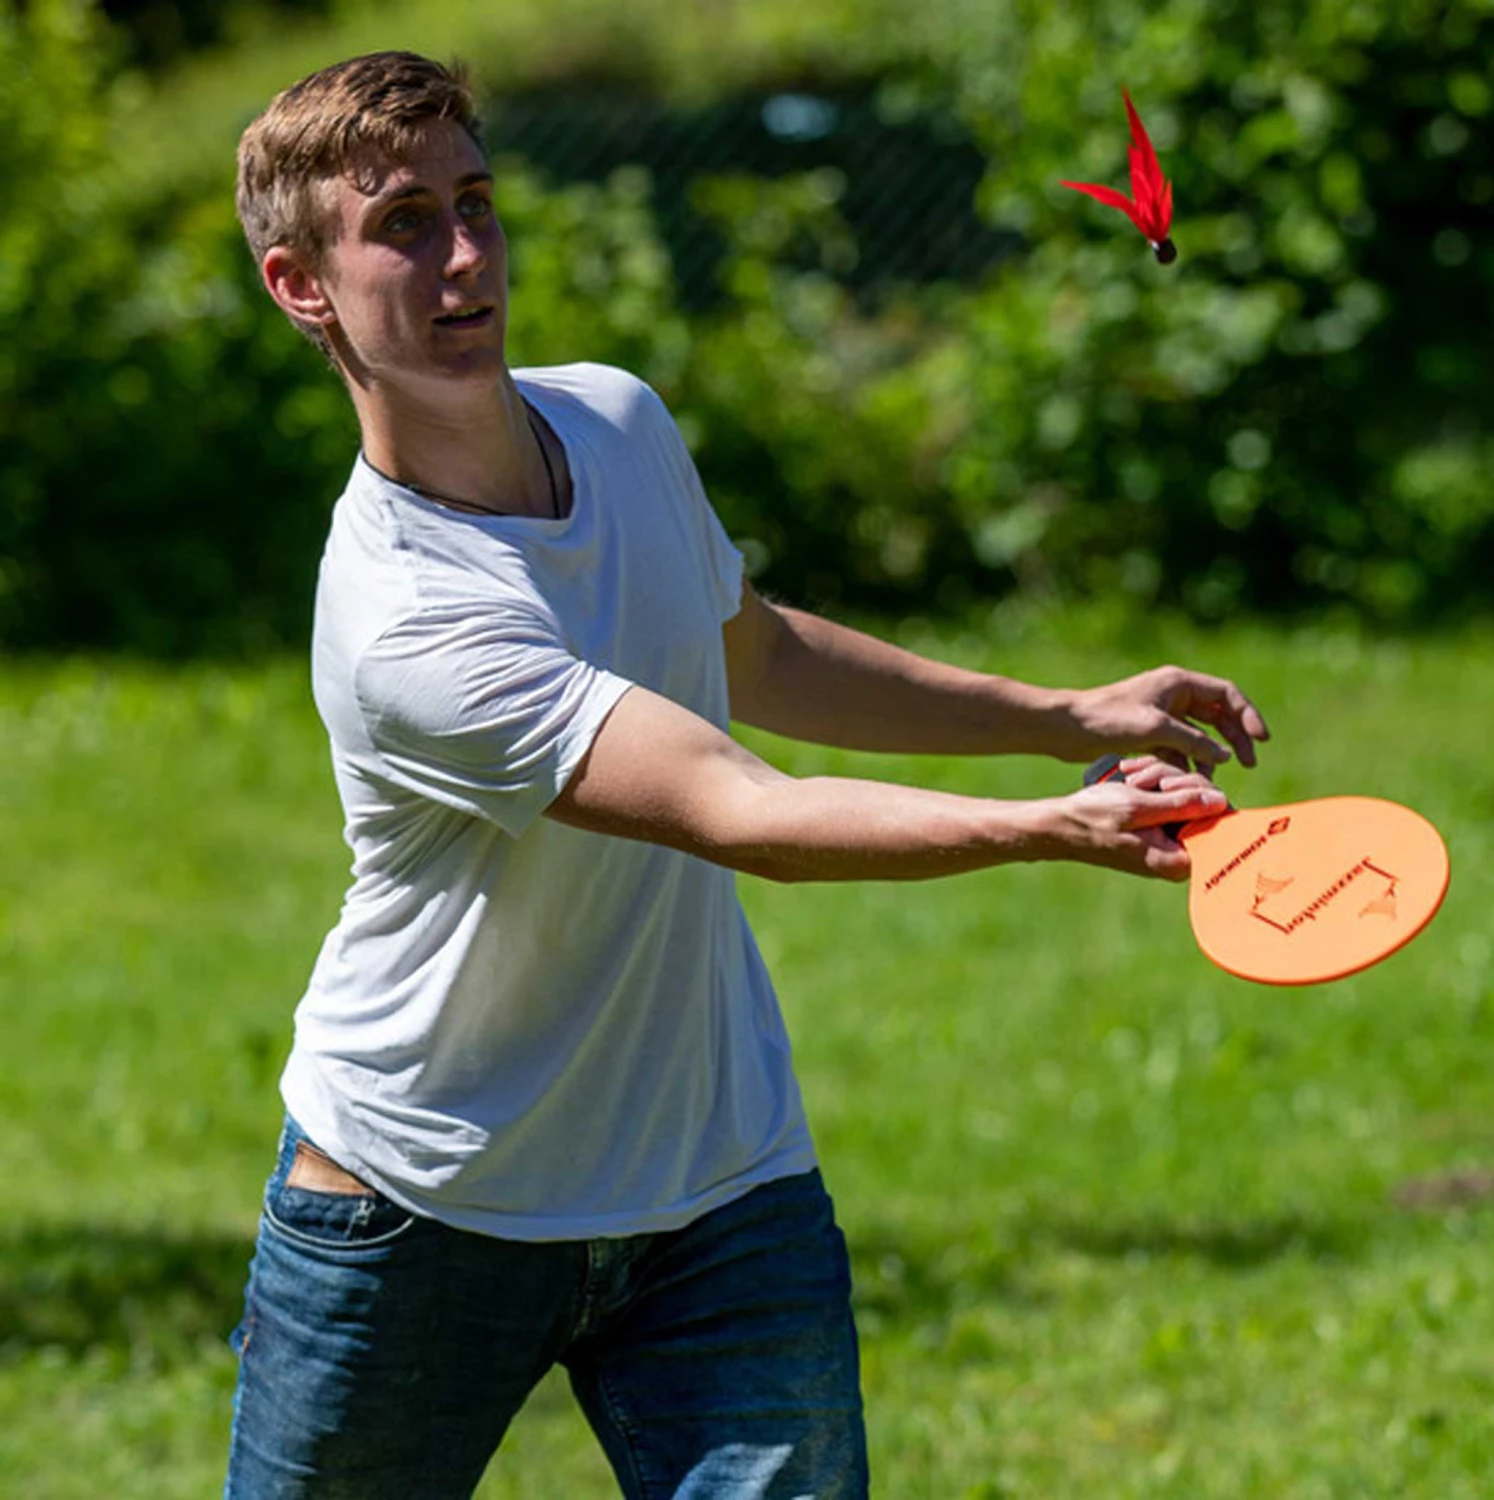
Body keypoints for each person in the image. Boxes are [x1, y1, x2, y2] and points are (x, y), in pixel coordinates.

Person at [226, 50, 1268, 1499]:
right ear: (302, 285)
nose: (464, 256)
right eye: (402, 222)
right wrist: (1052, 824)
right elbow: (742, 807)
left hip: (718, 1188)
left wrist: (1061, 708)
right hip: (425, 1204)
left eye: (478, 203)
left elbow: (753, 654)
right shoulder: (410, 621)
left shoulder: (617, 420)